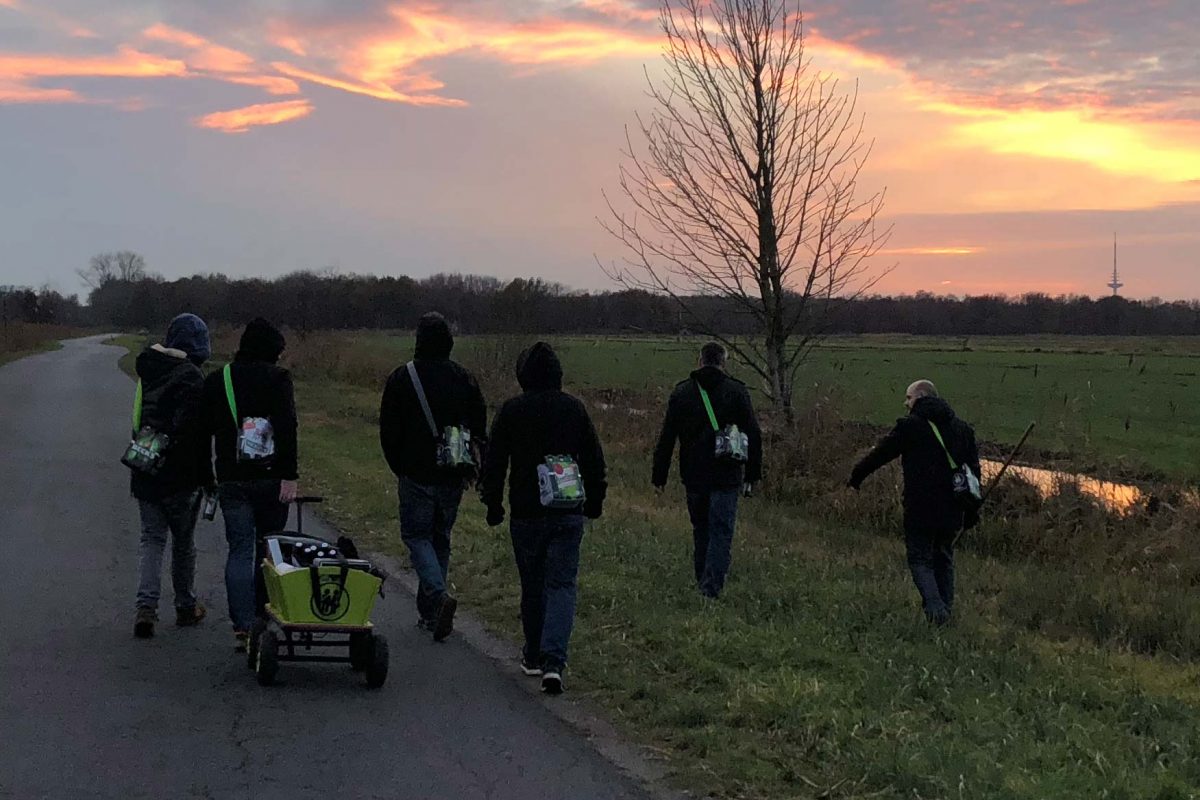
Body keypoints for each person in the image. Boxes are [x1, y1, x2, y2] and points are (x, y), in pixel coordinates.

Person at [481, 342, 606, 695]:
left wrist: (493, 503)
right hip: (568, 512)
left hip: (526, 512)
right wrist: (595, 500)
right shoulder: (574, 409)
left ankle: (534, 655)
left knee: (532, 584)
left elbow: (494, 463)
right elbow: (594, 461)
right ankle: (555, 661)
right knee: (562, 585)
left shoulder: (511, 411)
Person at [379, 312, 487, 642]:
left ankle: (437, 596)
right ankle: (430, 613)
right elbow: (479, 426)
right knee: (440, 538)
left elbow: (388, 429)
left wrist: (399, 465)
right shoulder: (464, 378)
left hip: (415, 471)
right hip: (453, 472)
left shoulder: (403, 378)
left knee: (416, 536)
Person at [847, 379, 980, 626]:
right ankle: (944, 614)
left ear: (920, 397)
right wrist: (972, 510)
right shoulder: (963, 430)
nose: (905, 403)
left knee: (919, 559)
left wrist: (857, 475)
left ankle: (937, 611)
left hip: (920, 507)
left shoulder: (911, 427)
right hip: (952, 509)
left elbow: (882, 453)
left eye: (908, 398)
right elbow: (974, 473)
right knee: (944, 557)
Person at [203, 318, 298, 651]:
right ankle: (263, 615)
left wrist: (207, 476)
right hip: (271, 478)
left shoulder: (219, 380)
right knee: (269, 549)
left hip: (231, 477)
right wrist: (290, 474)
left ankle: (243, 626)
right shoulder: (278, 379)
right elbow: (287, 427)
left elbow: (204, 432)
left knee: (240, 550)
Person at [652, 342, 761, 599]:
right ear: (723, 362)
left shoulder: (682, 393)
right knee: (721, 530)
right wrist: (753, 473)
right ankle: (710, 588)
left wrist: (660, 474)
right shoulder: (737, 391)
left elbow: (667, 436)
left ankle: (703, 577)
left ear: (699, 360)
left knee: (701, 528)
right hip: (727, 473)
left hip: (694, 473)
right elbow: (754, 434)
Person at [129, 314, 214, 639]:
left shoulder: (148, 371)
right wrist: (207, 479)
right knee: (183, 543)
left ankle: (145, 608)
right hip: (180, 475)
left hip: (146, 464)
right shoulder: (192, 377)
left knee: (152, 539)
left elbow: (138, 419)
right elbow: (196, 434)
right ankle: (184, 606)